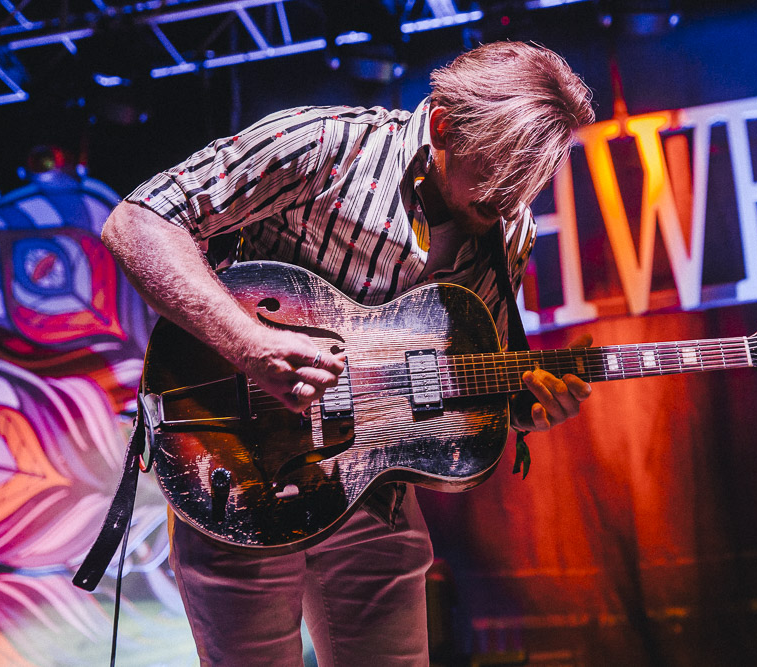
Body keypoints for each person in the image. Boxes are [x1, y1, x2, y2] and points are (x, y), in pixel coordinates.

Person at [101, 41, 595, 666]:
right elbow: (140, 223)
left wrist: (521, 408)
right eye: (495, 176)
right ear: (442, 124)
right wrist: (252, 346)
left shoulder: (508, 226)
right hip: (240, 462)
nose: (509, 201)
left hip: (375, 496)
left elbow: (458, 377)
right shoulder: (325, 146)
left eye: (526, 184)